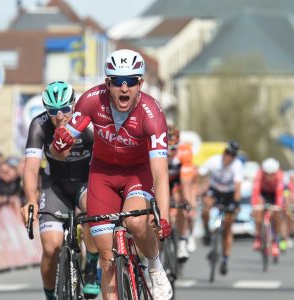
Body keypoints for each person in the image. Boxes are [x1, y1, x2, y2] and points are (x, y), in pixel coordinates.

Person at [49, 49, 173, 300]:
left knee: (137, 222)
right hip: (102, 174)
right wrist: (58, 144)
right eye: (117, 81)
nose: (124, 87)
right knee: (107, 259)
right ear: (108, 83)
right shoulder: (92, 100)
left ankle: (155, 266)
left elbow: (160, 173)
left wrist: (164, 215)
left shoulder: (152, 114)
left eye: (131, 81)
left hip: (137, 173)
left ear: (141, 84)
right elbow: (59, 152)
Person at [20, 81, 100, 300]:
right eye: (53, 111)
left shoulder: (87, 123)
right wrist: (30, 199)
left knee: (93, 217)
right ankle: (50, 295)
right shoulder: (39, 125)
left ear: (73, 105)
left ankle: (92, 267)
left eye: (65, 109)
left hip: (85, 181)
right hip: (54, 185)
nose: (60, 116)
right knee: (50, 247)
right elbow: (31, 167)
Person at [198, 141, 243, 275]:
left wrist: (236, 203)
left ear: (235, 157)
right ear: (224, 152)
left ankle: (224, 259)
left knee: (228, 226)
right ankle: (207, 231)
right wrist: (201, 189)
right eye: (227, 153)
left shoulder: (237, 166)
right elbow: (200, 174)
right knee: (206, 207)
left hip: (229, 194)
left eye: (232, 155)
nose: (228, 157)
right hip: (215, 191)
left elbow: (238, 187)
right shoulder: (214, 161)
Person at [167, 124, 197, 262]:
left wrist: (187, 200)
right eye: (166, 148)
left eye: (173, 148)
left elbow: (186, 182)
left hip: (178, 180)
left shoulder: (185, 151)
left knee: (181, 201)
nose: (169, 152)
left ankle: (182, 241)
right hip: (162, 178)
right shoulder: (153, 150)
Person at [251, 157, 285, 258]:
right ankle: (258, 238)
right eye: (267, 174)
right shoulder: (259, 175)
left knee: (277, 215)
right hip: (263, 193)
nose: (269, 176)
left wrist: (278, 206)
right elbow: (255, 192)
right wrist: (255, 206)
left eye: (272, 174)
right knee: (258, 213)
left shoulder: (279, 176)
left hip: (274, 194)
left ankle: (275, 241)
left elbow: (279, 194)